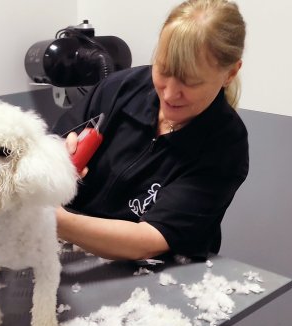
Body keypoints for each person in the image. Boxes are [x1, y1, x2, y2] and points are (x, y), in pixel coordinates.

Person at [53, 0, 248, 261]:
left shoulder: (226, 144)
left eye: (190, 82)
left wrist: (55, 221)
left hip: (157, 275)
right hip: (75, 251)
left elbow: (151, 240)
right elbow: (53, 141)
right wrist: (56, 154)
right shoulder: (121, 87)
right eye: (164, 70)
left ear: (230, 73)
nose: (169, 93)